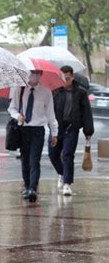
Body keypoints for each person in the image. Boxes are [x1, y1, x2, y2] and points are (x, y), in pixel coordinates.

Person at [8, 70, 58, 202]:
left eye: (38, 73)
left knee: (34, 160)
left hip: (38, 130)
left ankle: (33, 188)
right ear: (28, 73)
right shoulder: (19, 88)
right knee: (25, 159)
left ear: (41, 74)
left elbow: (51, 114)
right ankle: (27, 186)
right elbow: (11, 108)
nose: (35, 75)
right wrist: (18, 116)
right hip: (23, 129)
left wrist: (54, 133)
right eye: (33, 72)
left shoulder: (46, 92)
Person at [50, 65, 94, 196]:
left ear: (72, 77)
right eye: (63, 78)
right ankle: (62, 174)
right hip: (56, 129)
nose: (65, 81)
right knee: (53, 155)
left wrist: (88, 131)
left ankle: (67, 184)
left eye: (67, 78)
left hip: (72, 129)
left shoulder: (80, 93)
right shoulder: (55, 91)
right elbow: (49, 110)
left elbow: (87, 113)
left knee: (68, 155)